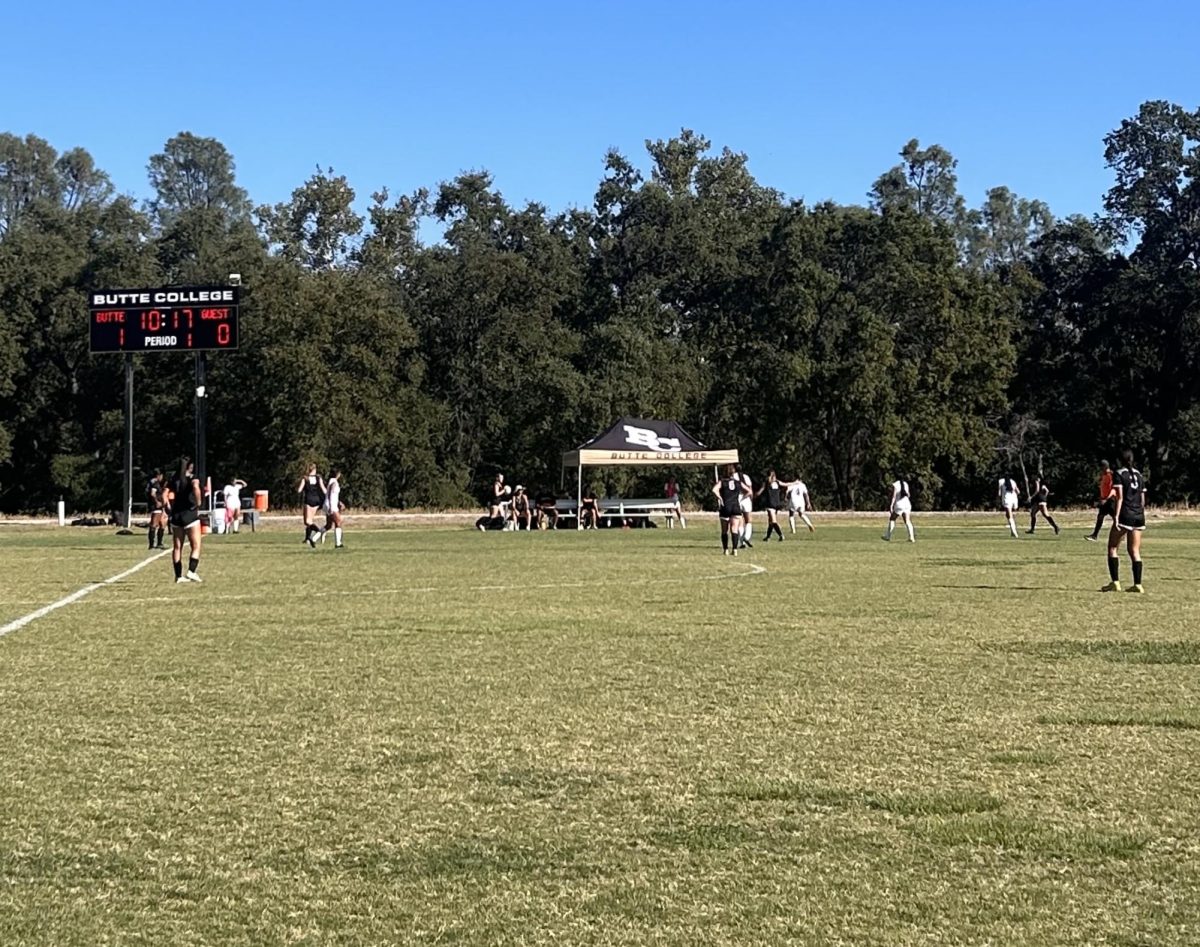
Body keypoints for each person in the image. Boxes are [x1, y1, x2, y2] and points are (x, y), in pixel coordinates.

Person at [1101, 449, 1148, 593]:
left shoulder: (1120, 474)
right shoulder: (1139, 475)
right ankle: (1138, 585)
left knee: (1112, 547)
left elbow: (1120, 497)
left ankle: (1115, 582)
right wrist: (1140, 512)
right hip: (1139, 515)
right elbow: (1142, 499)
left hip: (1125, 514)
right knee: (1134, 550)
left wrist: (1116, 516)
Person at [165, 456, 203, 583]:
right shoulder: (192, 478)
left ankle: (178, 576)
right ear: (190, 467)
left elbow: (164, 494)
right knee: (196, 545)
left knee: (177, 547)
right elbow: (196, 488)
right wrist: (198, 502)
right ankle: (192, 571)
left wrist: (167, 506)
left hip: (176, 516)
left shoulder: (174, 478)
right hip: (190, 514)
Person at [713, 464, 749, 555]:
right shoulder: (738, 482)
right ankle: (735, 550)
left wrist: (720, 498)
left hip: (725, 506)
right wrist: (741, 499)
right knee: (734, 529)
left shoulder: (722, 482)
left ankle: (725, 550)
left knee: (725, 530)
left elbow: (714, 490)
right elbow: (749, 491)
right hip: (735, 506)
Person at [1085, 460, 1116, 542]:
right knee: (1100, 517)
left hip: (1110, 500)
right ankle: (1095, 535)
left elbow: (1113, 489)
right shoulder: (1103, 475)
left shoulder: (1111, 475)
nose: (1100, 469)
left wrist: (1106, 498)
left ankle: (1121, 534)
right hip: (1104, 500)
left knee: (1116, 518)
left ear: (1105, 467)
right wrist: (1101, 498)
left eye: (1101, 467)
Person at [297, 463, 326, 547]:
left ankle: (319, 531)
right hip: (317, 500)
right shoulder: (318, 478)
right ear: (315, 469)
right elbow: (323, 489)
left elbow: (299, 490)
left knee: (307, 521)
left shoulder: (305, 478)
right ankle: (307, 538)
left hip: (308, 500)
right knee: (310, 521)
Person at [756, 470, 787, 542]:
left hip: (770, 504)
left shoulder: (767, 482)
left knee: (773, 521)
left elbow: (761, 491)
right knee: (770, 522)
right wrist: (795, 483)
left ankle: (781, 535)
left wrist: (755, 495)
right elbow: (786, 484)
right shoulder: (777, 482)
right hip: (776, 504)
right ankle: (768, 537)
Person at [883, 475, 915, 542]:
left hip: (899, 504)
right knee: (907, 521)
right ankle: (911, 537)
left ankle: (888, 536)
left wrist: (891, 505)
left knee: (892, 518)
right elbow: (908, 495)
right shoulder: (906, 484)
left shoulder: (896, 484)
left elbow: (894, 496)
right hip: (907, 504)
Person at [322, 468, 345, 548]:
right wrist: (331, 506)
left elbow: (333, 495)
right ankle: (338, 543)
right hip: (331, 506)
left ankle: (313, 538)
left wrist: (339, 502)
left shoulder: (332, 481)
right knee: (338, 522)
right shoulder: (333, 482)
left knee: (328, 525)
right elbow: (330, 495)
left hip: (331, 504)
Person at [146, 468, 167, 550]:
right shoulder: (155, 483)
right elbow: (152, 493)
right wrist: (157, 502)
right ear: (159, 475)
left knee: (162, 524)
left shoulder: (153, 482)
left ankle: (159, 543)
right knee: (154, 524)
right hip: (156, 506)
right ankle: (151, 544)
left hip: (160, 506)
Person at [735, 464, 754, 547]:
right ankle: (746, 537)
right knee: (748, 520)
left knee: (739, 520)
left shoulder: (733, 476)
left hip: (737, 497)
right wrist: (751, 498)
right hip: (746, 498)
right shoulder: (746, 477)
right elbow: (750, 489)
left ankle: (741, 542)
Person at [997, 474, 1021, 538]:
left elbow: (999, 493)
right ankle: (1012, 532)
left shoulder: (1001, 481)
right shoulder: (1013, 481)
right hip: (1013, 499)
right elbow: (1018, 491)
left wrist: (998, 500)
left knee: (1009, 516)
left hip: (1006, 499)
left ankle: (1014, 532)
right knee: (1009, 516)